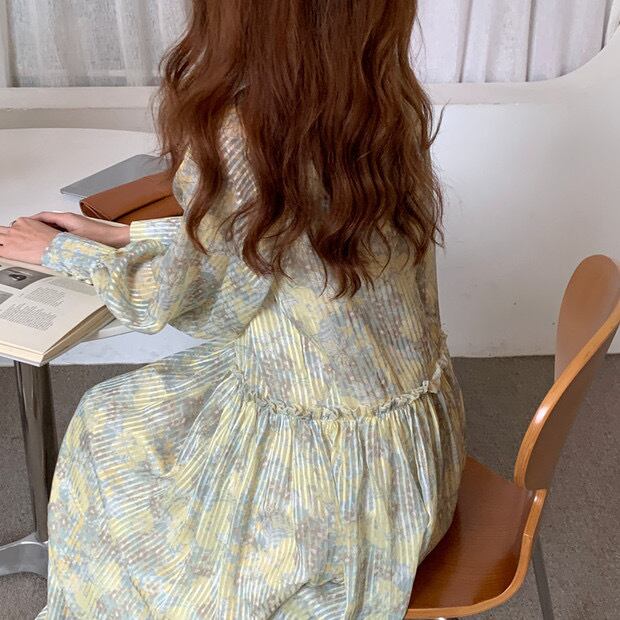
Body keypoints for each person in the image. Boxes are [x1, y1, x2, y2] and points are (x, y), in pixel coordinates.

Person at [0, 1, 466, 617]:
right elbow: (279, 246)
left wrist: (60, 251)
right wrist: (125, 235)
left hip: (333, 494)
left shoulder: (247, 133)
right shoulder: (380, 100)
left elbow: (183, 299)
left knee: (104, 427)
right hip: (413, 457)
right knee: (117, 414)